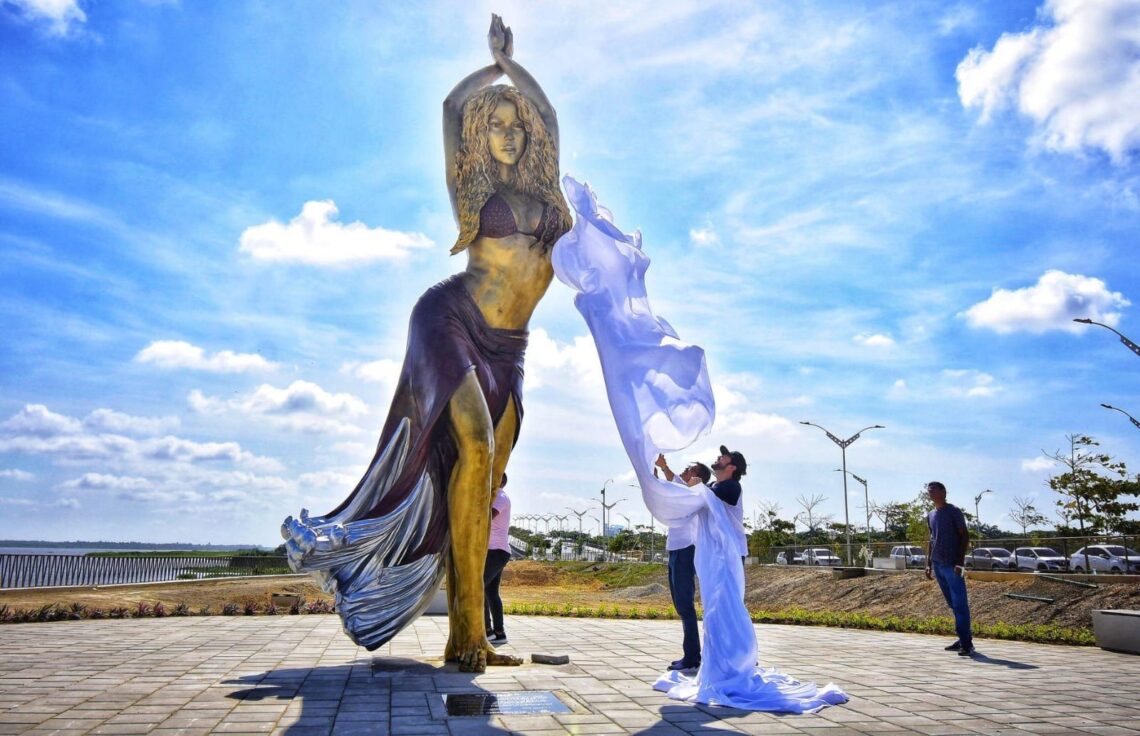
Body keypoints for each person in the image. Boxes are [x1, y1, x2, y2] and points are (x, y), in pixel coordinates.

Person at [282, 15, 571, 673]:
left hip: (509, 350)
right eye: (495, 125)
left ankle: (470, 638)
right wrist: (495, 64)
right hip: (449, 320)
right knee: (476, 446)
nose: (508, 134)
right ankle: (467, 641)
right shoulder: (477, 188)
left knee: (483, 482)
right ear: (481, 134)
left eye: (516, 126)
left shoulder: (547, 192)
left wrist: (518, 75)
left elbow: (550, 115)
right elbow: (449, 108)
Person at [655, 455, 711, 673]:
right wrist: (659, 470)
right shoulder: (684, 491)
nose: (685, 470)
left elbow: (673, 483)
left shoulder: (694, 494)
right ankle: (691, 654)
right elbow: (672, 482)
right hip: (676, 550)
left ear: (696, 476)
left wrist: (662, 470)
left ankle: (692, 657)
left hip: (686, 550)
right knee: (680, 604)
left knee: (685, 604)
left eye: (689, 469)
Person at [924, 481, 974, 656]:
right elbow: (932, 539)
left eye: (933, 490)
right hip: (938, 564)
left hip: (952, 565)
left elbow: (964, 536)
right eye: (929, 491)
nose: (930, 493)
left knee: (960, 603)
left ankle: (966, 644)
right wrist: (928, 564)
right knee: (953, 603)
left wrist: (960, 562)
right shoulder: (931, 515)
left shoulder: (953, 511)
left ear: (943, 492)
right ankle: (963, 638)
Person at [484, 474, 512, 645]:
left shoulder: (500, 497)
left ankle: (486, 631)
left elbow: (487, 517)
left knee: (478, 588)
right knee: (491, 592)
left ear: (501, 481)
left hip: (497, 551)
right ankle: (499, 633)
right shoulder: (496, 497)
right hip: (495, 551)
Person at [711, 445, 749, 563]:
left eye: (724, 456)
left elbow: (707, 494)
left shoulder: (733, 486)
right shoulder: (712, 485)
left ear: (731, 467)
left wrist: (695, 486)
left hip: (732, 551)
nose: (719, 457)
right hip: (717, 550)